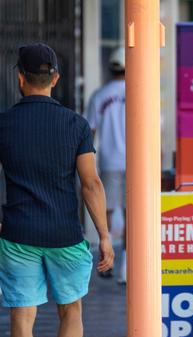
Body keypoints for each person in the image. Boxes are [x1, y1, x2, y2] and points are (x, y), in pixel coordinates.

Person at [0, 43, 114, 337]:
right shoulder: (75, 125)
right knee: (71, 310)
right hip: (65, 235)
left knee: (23, 318)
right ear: (55, 78)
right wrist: (103, 234)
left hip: (18, 234)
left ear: (20, 78)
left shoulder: (0, 125)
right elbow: (91, 184)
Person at [86, 47, 126, 283]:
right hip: (136, 161)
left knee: (108, 210)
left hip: (109, 159)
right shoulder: (139, 92)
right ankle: (127, 266)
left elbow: (89, 131)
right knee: (133, 213)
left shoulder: (99, 96)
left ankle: (107, 257)